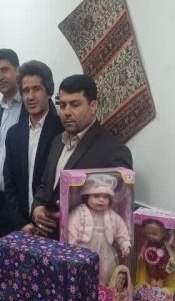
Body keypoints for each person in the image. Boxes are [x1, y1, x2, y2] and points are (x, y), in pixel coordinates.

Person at [31, 74, 133, 239]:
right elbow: (45, 184)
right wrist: (37, 208)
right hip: (47, 239)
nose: (66, 112)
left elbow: (118, 207)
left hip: (83, 243)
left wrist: (71, 217)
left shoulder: (114, 151)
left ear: (93, 106)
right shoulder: (57, 141)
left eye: (75, 105)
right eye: (63, 105)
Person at [2, 61, 63, 234]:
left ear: (48, 92)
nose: (30, 96)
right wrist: (21, 223)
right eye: (26, 91)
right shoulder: (13, 134)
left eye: (36, 89)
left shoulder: (62, 130)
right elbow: (10, 182)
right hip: (22, 226)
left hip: (51, 226)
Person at [0, 49, 27, 235]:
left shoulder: (29, 106)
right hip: (0, 201)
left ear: (17, 70)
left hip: (22, 203)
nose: (0, 77)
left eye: (5, 70)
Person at [66, 173, 131, 283]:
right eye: (96, 196)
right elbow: (72, 229)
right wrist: (72, 248)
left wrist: (124, 243)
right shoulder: (79, 212)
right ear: (87, 197)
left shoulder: (112, 215)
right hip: (84, 248)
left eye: (105, 197)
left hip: (105, 250)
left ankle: (103, 289)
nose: (101, 200)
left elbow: (121, 228)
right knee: (86, 270)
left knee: (105, 271)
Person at [138, 220, 175, 288]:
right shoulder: (148, 241)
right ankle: (152, 279)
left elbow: (170, 250)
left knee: (163, 269)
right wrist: (141, 253)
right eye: (148, 233)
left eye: (154, 234)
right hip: (151, 260)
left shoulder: (165, 242)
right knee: (150, 268)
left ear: (163, 234)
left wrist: (172, 257)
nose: (151, 236)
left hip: (162, 261)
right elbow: (144, 247)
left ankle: (161, 280)